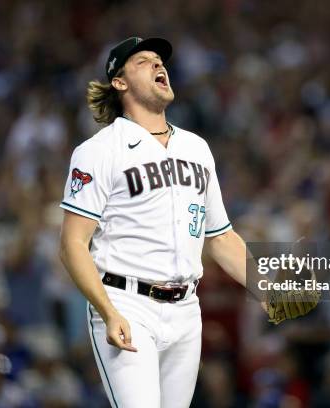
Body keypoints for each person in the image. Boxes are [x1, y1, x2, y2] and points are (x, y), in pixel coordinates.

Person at [58, 37, 249, 408]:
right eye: (144, 61)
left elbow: (221, 238)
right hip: (126, 303)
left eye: (160, 60)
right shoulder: (98, 151)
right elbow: (72, 245)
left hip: (186, 310)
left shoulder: (196, 148)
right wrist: (108, 312)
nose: (159, 65)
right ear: (120, 81)